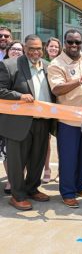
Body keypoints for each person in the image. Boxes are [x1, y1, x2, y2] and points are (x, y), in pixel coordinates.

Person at [48, 29, 82, 208]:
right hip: (68, 121)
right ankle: (67, 192)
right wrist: (80, 80)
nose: (74, 45)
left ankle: (79, 187)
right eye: (70, 42)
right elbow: (57, 89)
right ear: (65, 43)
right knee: (68, 158)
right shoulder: (56, 64)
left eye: (77, 42)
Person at [0, 34, 53, 210]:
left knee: (37, 158)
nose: (35, 52)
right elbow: (0, 90)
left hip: (42, 121)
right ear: (24, 47)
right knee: (17, 161)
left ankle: (32, 189)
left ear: (42, 48)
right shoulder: (9, 65)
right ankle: (17, 195)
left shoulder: (47, 66)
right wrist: (20, 96)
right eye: (31, 48)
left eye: (38, 48)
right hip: (18, 123)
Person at [1, 41, 24, 195]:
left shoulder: (25, 68)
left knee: (21, 151)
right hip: (4, 117)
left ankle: (21, 178)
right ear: (8, 51)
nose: (16, 51)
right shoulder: (3, 65)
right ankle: (11, 179)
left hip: (22, 117)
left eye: (19, 49)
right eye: (14, 49)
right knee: (6, 151)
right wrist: (20, 96)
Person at [42, 37, 62, 183]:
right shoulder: (41, 64)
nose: (53, 49)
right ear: (46, 48)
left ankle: (62, 171)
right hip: (45, 106)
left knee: (61, 141)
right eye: (51, 46)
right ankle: (46, 169)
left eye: (56, 47)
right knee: (45, 141)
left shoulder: (62, 63)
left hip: (60, 105)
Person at [0, 27, 13, 194]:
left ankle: (12, 179)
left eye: (6, 36)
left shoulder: (17, 60)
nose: (3, 38)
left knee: (7, 148)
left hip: (10, 113)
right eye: (0, 35)